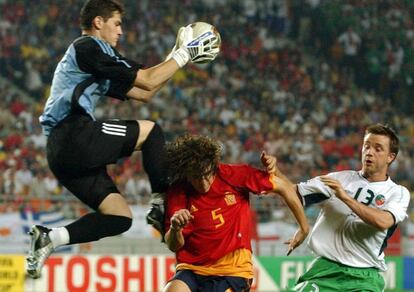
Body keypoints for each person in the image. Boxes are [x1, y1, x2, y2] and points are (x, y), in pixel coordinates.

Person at [26, 0, 219, 279]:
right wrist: (184, 55)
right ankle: (161, 203)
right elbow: (149, 81)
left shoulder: (96, 60)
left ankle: (50, 238)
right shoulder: (89, 47)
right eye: (117, 23)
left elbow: (145, 91)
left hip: (61, 154)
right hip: (73, 135)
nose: (121, 31)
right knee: (151, 131)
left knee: (119, 217)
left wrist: (179, 55)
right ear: (98, 23)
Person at [162, 134, 309, 292]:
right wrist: (176, 228)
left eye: (207, 175)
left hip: (233, 270)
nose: (204, 183)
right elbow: (173, 245)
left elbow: (283, 187)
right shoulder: (178, 191)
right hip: (192, 268)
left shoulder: (235, 175)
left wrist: (304, 227)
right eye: (196, 178)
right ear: (186, 173)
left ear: (214, 166)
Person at [282, 124, 410, 291]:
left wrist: (345, 197)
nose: (369, 152)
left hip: (365, 277)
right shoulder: (339, 178)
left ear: (390, 157)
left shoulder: (398, 192)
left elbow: (383, 221)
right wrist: (274, 172)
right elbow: (293, 192)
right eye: (367, 146)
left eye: (378, 149)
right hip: (325, 270)